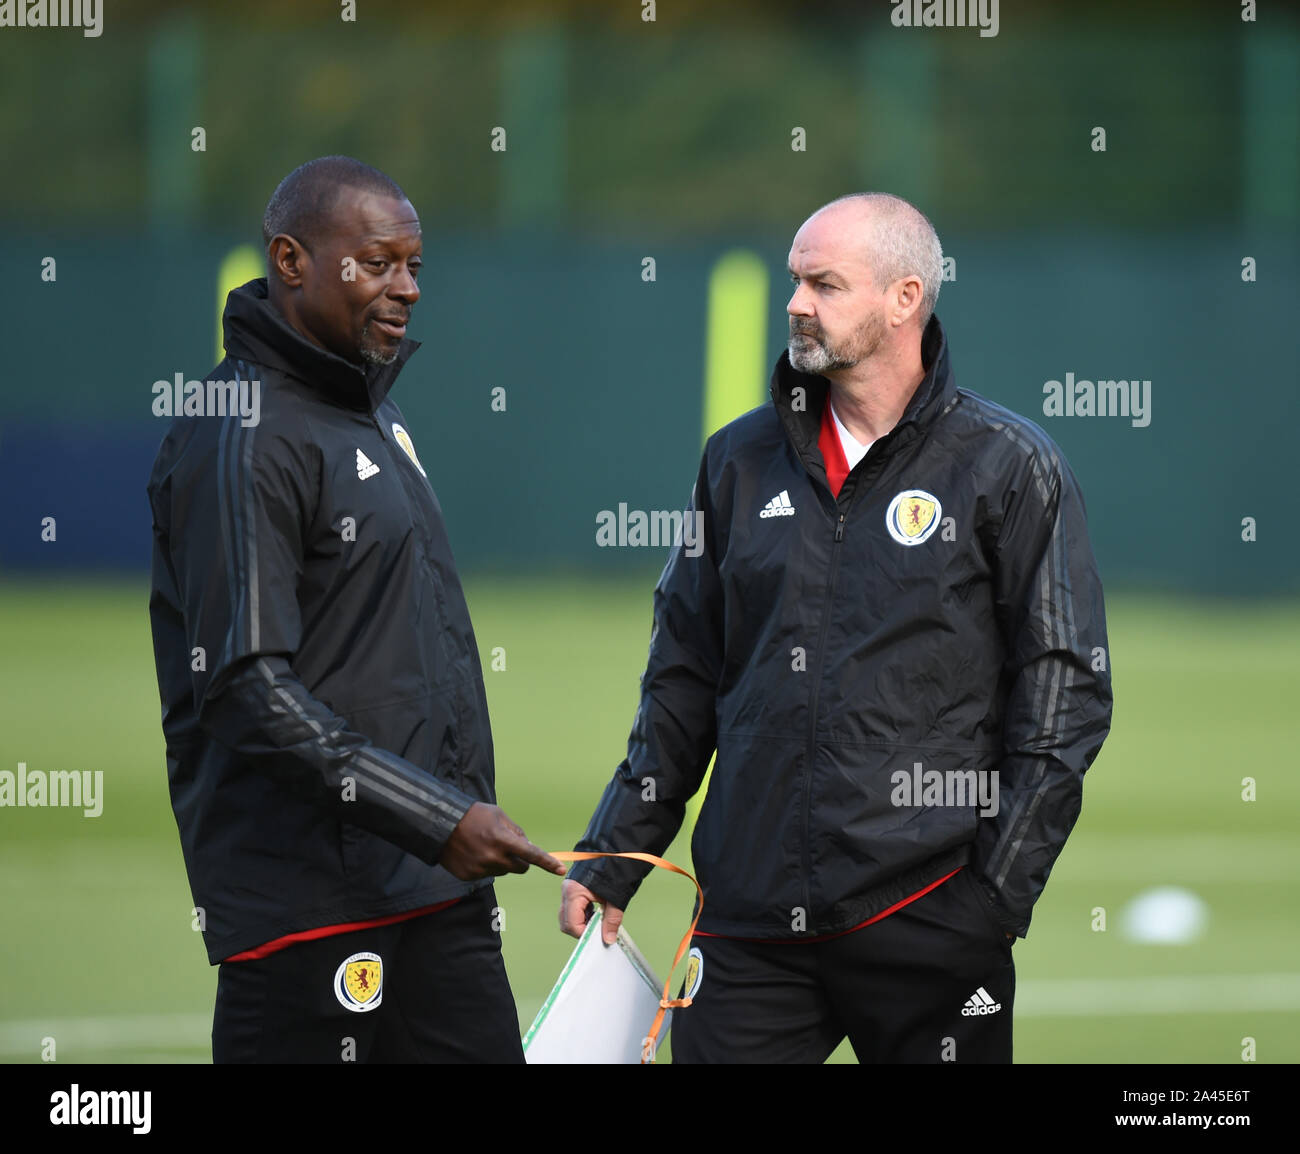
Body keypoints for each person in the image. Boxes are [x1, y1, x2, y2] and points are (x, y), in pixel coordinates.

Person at [560, 192, 1113, 1064]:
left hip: (927, 916)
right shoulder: (736, 461)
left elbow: (1065, 696)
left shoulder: (1010, 466)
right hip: (748, 924)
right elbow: (684, 672)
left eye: (824, 283)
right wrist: (616, 851)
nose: (796, 304)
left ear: (904, 300)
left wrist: (992, 901)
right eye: (794, 281)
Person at [147, 155, 564, 1064]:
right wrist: (435, 816)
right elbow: (247, 688)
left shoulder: (368, 412)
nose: (406, 288)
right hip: (313, 914)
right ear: (291, 261)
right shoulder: (243, 433)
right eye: (377, 263)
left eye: (414, 265)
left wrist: (441, 824)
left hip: (429, 896)